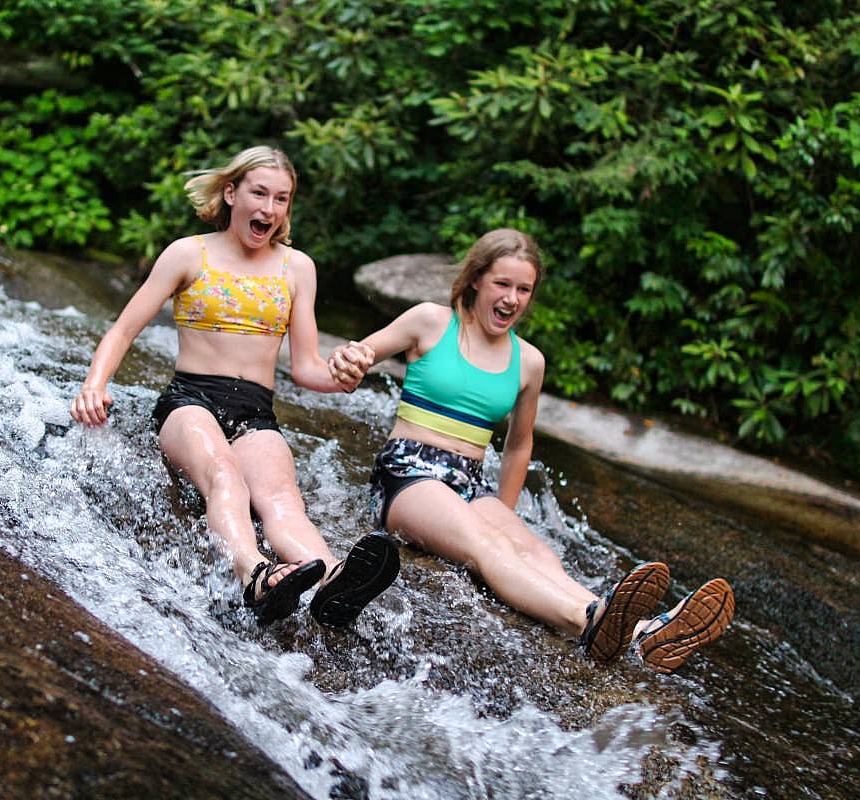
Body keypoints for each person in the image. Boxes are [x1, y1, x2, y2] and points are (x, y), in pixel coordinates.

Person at [328, 228, 734, 671]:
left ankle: (640, 634)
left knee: (537, 554)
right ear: (476, 279)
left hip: (470, 481)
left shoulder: (529, 361)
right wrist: (352, 360)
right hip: (408, 473)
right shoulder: (430, 320)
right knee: (487, 546)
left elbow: (520, 444)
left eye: (524, 289)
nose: (512, 298)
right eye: (503, 284)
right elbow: (361, 353)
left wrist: (501, 511)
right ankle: (588, 622)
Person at [70, 145, 398, 627]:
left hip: (256, 411)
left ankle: (332, 582)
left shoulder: (297, 268)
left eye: (281, 199)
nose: (268, 208)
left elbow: (307, 367)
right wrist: (94, 384)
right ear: (231, 193)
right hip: (189, 401)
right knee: (224, 475)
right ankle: (255, 577)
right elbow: (123, 329)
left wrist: (343, 375)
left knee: (282, 499)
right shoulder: (189, 253)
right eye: (259, 193)